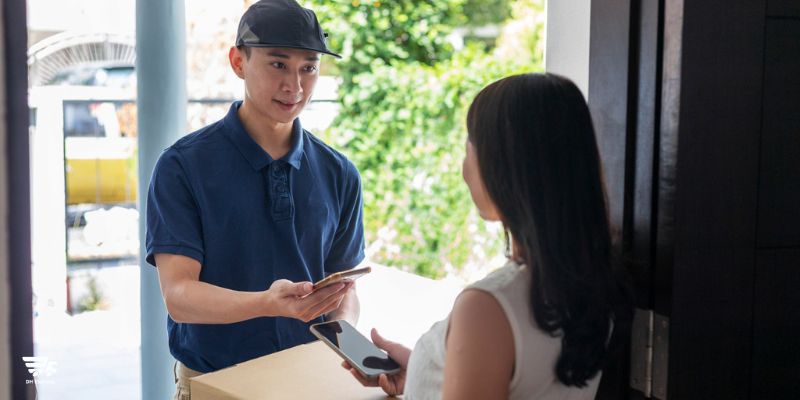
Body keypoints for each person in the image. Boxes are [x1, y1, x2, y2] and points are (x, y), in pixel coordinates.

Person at [343, 73, 630, 399]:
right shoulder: (592, 280)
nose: (464, 167)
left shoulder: (488, 307)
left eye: (470, 146)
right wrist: (428, 372)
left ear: (503, 167)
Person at [145, 1, 365, 398]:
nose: (295, 86)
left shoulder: (340, 173)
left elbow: (343, 293)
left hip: (310, 383)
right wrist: (268, 303)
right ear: (238, 61)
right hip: (214, 384)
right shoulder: (182, 166)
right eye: (278, 64)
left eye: (309, 67)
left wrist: (353, 351)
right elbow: (179, 297)